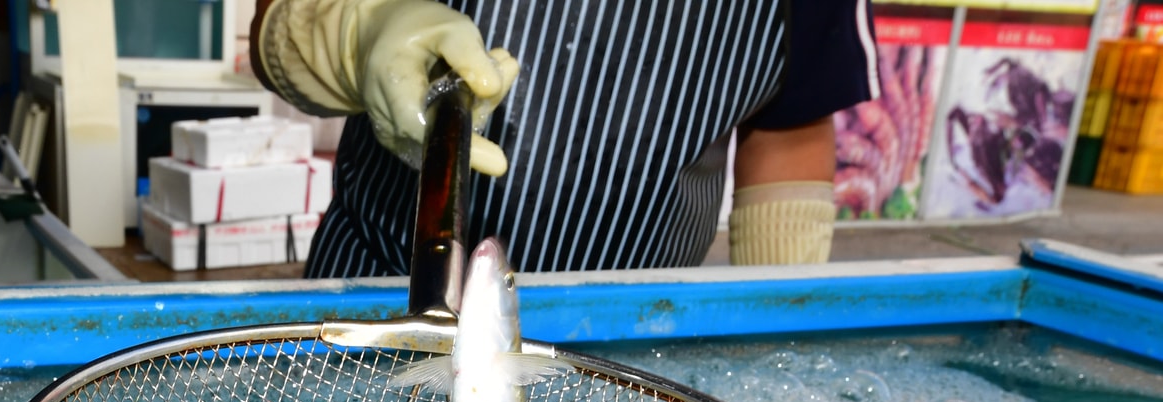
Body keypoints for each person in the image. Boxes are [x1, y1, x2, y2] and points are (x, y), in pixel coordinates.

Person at [250, 0, 879, 275]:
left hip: (636, 354)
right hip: (376, 303)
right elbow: (275, 19)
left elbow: (791, 124)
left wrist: (775, 344)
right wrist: (356, 36)